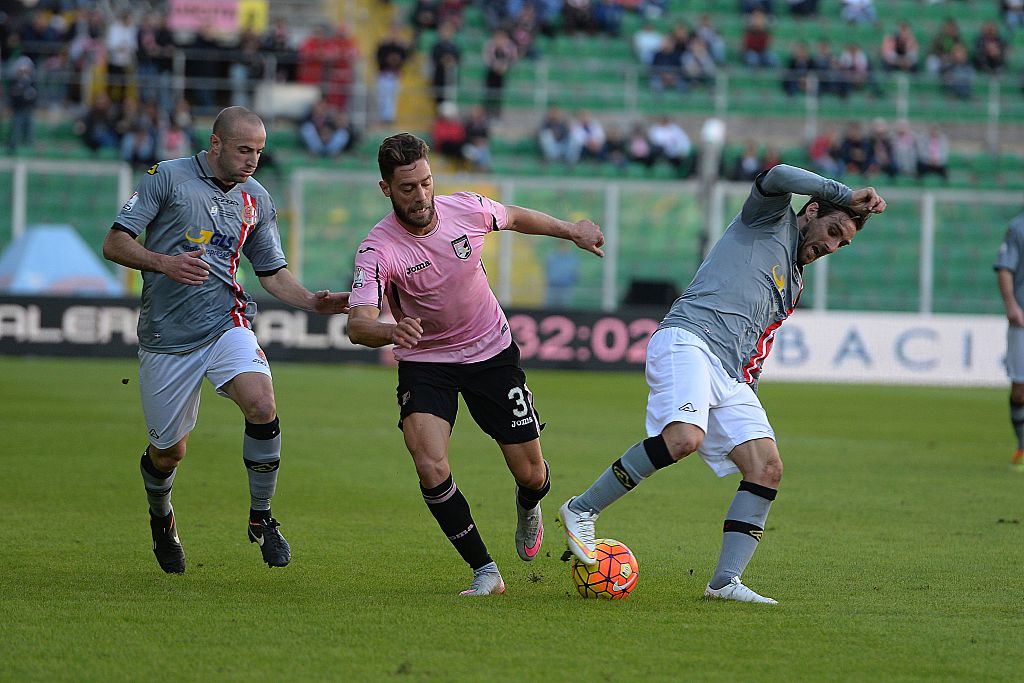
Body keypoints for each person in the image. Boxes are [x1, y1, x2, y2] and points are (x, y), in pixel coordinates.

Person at [559, 163, 885, 604]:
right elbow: (777, 173)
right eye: (832, 231)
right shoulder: (767, 219)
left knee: (767, 467)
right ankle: (582, 509)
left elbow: (759, 344)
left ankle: (725, 582)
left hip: (731, 374)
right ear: (810, 212)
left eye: (842, 243)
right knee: (683, 439)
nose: (832, 246)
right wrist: (845, 194)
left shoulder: (794, 283)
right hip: (689, 340)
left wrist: (745, 390)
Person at [346, 133, 604, 596]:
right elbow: (358, 325)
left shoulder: (465, 208)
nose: (421, 195)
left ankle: (529, 504)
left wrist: (571, 230)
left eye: (425, 182)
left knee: (532, 474)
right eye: (407, 187)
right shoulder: (377, 249)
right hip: (426, 360)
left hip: (491, 353)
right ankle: (485, 571)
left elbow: (516, 216)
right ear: (386, 188)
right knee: (429, 464)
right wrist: (390, 331)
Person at [101, 107, 350, 574]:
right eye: (244, 150)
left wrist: (314, 303)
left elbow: (271, 273)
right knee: (168, 453)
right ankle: (161, 517)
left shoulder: (257, 198)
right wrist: (164, 262)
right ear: (215, 145)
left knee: (261, 404)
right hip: (166, 337)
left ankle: (263, 517)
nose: (253, 160)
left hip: (225, 323)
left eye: (259, 151)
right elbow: (115, 243)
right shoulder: (166, 178)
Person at [994, 212, 1024, 469]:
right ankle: (1022, 446)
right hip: (1022, 318)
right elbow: (1005, 267)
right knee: (1020, 388)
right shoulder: (1018, 227)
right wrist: (1011, 305)